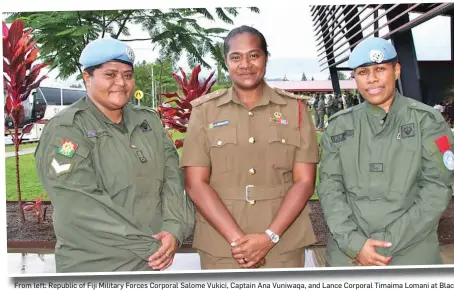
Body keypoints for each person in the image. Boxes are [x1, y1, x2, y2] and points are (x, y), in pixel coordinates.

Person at [34, 38, 195, 272]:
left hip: (151, 262)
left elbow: (173, 178)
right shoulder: (67, 128)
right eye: (110, 74)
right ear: (87, 78)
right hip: (96, 266)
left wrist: (174, 229)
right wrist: (150, 246)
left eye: (128, 75)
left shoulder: (147, 121)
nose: (121, 83)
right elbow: (78, 203)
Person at [180, 25, 319, 270]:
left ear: (266, 58)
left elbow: (305, 182)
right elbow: (195, 183)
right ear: (226, 62)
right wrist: (237, 241)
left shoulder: (295, 109)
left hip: (282, 244)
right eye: (236, 57)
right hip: (222, 246)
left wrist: (269, 237)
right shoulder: (204, 111)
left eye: (254, 55)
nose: (245, 64)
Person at [317, 37, 454, 267]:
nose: (372, 78)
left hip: (410, 252)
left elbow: (437, 189)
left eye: (380, 69)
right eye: (363, 72)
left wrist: (386, 242)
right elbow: (330, 188)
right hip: (349, 254)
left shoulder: (428, 122)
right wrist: (355, 243)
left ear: (397, 70)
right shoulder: (339, 125)